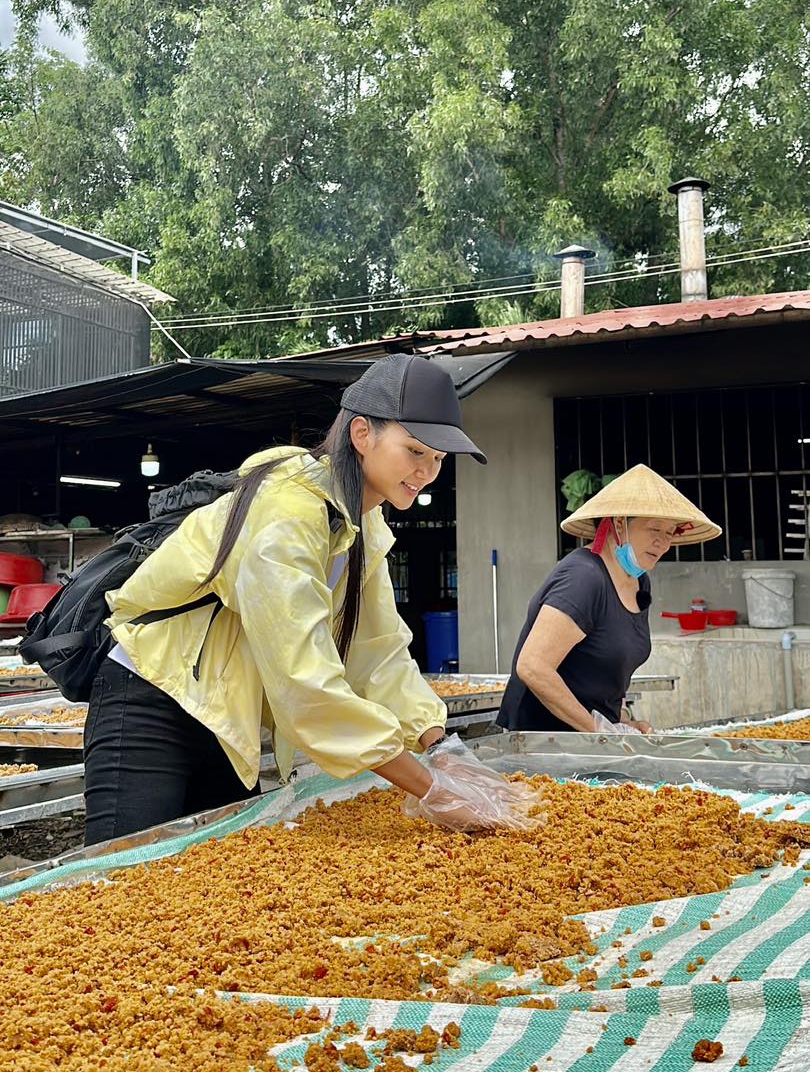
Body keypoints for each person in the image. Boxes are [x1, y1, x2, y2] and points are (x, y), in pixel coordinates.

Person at [84, 354, 536, 845]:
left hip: (223, 714)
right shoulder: (287, 511)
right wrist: (432, 788)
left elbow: (379, 653)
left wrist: (441, 746)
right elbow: (305, 681)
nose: (427, 471)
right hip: (152, 695)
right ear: (362, 434)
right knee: (121, 872)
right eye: (414, 451)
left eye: (438, 459)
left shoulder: (365, 525)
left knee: (213, 866)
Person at [498, 464, 721, 736]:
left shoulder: (639, 579)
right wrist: (598, 731)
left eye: (670, 532)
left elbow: (602, 671)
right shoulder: (584, 577)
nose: (663, 544)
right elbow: (533, 666)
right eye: (654, 529)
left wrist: (621, 721)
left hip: (592, 744)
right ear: (619, 524)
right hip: (543, 743)